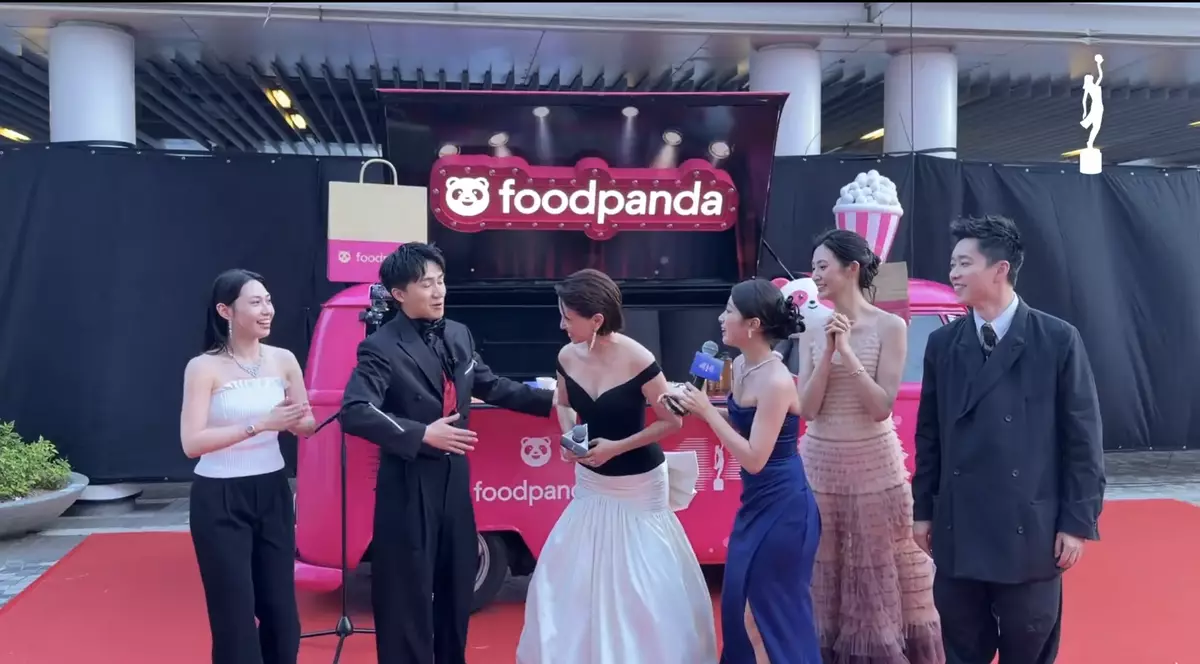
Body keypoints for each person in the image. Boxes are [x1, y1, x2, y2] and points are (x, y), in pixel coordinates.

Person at [339, 243, 556, 664]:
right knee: (406, 595)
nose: (438, 291)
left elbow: (490, 384)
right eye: (426, 284)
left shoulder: (458, 333)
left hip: (454, 478)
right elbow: (355, 410)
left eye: (440, 281)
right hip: (408, 481)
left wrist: (555, 401)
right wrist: (422, 434)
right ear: (399, 294)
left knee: (457, 587)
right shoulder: (380, 346)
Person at [913, 215, 1105, 664]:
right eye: (953, 264)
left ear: (1000, 269)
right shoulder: (943, 343)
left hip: (1030, 528)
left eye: (964, 263)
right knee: (961, 646)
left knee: (1029, 645)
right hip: (960, 525)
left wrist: (1077, 522)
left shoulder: (1056, 339)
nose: (953, 273)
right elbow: (929, 435)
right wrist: (923, 511)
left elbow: (1083, 440)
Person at [517, 268, 717, 664]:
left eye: (568, 318)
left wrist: (616, 448)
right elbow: (563, 403)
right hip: (590, 483)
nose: (561, 325)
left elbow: (671, 422)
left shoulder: (639, 358)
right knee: (570, 577)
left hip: (639, 485)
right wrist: (570, 438)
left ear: (596, 319)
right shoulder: (566, 356)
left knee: (641, 582)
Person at [799, 229, 944, 664]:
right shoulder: (811, 328)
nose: (815, 275)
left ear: (852, 269)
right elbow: (807, 409)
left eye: (823, 266)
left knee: (875, 567)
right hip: (819, 466)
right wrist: (828, 351)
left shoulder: (889, 326)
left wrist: (847, 352)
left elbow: (881, 406)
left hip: (874, 468)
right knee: (821, 569)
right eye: (814, 267)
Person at [671, 278, 821, 664]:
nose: (721, 319)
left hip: (785, 508)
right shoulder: (739, 364)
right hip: (755, 503)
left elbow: (755, 457)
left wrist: (707, 411)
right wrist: (696, 407)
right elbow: (743, 425)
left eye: (729, 311)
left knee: (773, 614)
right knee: (739, 605)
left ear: (753, 324)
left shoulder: (776, 380)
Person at [180, 269, 315, 664]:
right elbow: (191, 443)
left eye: (268, 301)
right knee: (234, 615)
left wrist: (296, 421)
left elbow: (306, 423)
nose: (267, 310)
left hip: (272, 491)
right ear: (226, 311)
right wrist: (261, 424)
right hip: (219, 496)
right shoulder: (203, 367)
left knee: (281, 612)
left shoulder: (284, 360)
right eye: (255, 302)